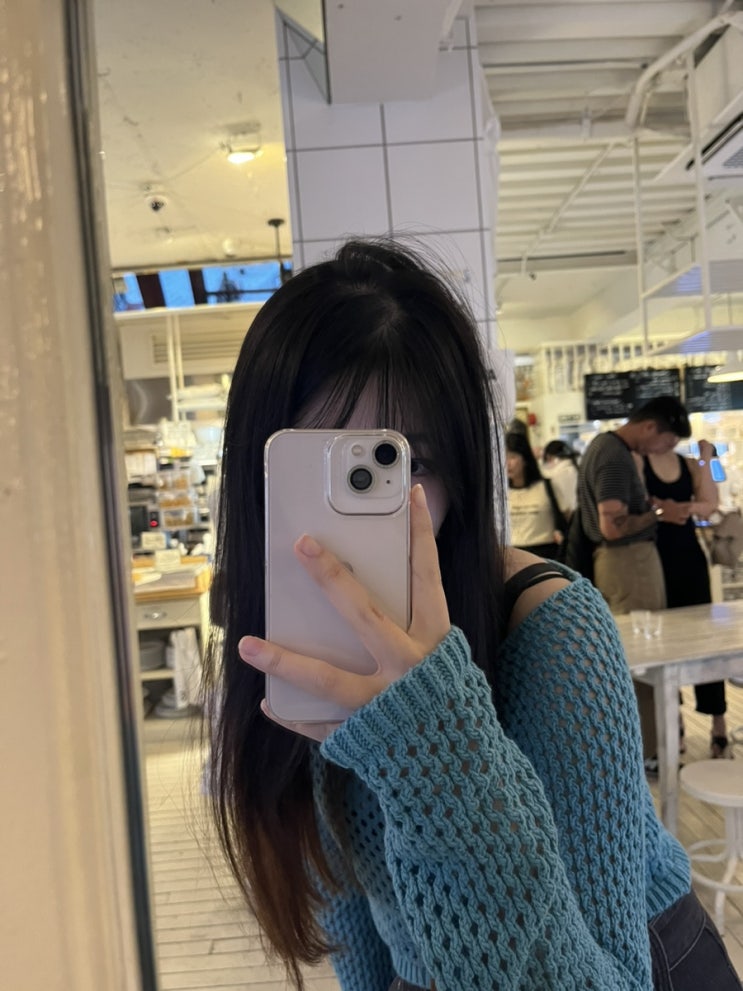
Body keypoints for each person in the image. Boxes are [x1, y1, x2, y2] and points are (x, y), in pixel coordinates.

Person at [203, 239, 740, 990]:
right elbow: (358, 922)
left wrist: (432, 751)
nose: (370, 514)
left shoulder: (551, 630)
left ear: (460, 467)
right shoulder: (284, 649)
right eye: (311, 464)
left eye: (406, 463)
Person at [576, 396, 691, 768]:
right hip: (628, 564)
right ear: (650, 427)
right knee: (644, 658)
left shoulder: (607, 447)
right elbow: (612, 526)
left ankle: (645, 748)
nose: (664, 450)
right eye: (666, 442)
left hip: (624, 564)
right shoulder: (613, 456)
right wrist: (660, 511)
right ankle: (649, 752)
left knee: (637, 654)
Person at [644, 438, 730, 758]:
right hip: (653, 559)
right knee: (665, 645)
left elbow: (710, 503)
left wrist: (683, 507)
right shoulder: (638, 461)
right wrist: (662, 510)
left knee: (706, 640)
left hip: (689, 557)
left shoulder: (687, 463)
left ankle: (718, 722)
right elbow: (639, 505)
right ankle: (675, 722)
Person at [505, 431, 566, 558]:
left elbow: (567, 516)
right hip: (511, 554)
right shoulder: (499, 493)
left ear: (525, 459)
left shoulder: (547, 486)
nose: (507, 463)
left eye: (512, 457)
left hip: (545, 554)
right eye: (503, 457)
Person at [542, 438, 579, 520]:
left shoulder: (551, 474)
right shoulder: (575, 468)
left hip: (563, 515)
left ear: (548, 456)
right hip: (578, 514)